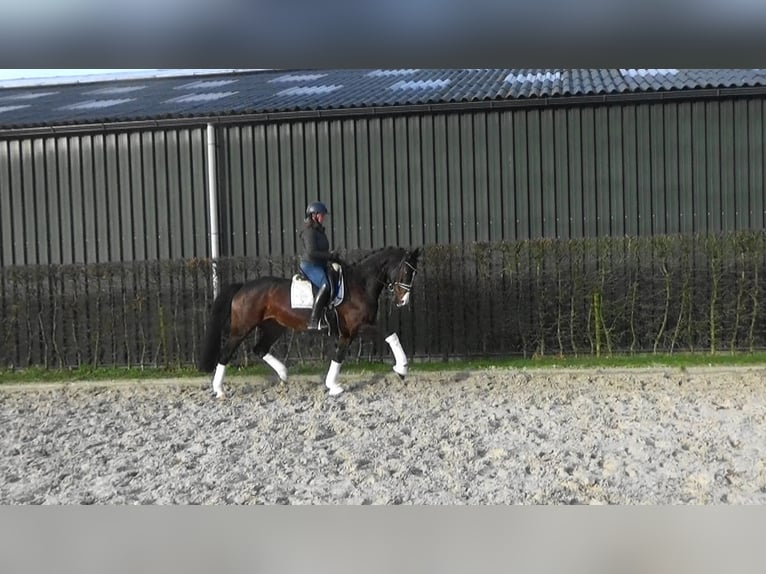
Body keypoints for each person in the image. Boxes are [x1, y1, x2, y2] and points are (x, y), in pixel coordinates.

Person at [299, 201, 336, 330]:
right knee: (325, 285)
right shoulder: (309, 232)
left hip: (320, 264)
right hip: (310, 265)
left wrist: (332, 256)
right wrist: (330, 256)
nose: (323, 217)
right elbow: (312, 252)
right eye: (321, 215)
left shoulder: (320, 231)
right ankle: (313, 320)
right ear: (313, 215)